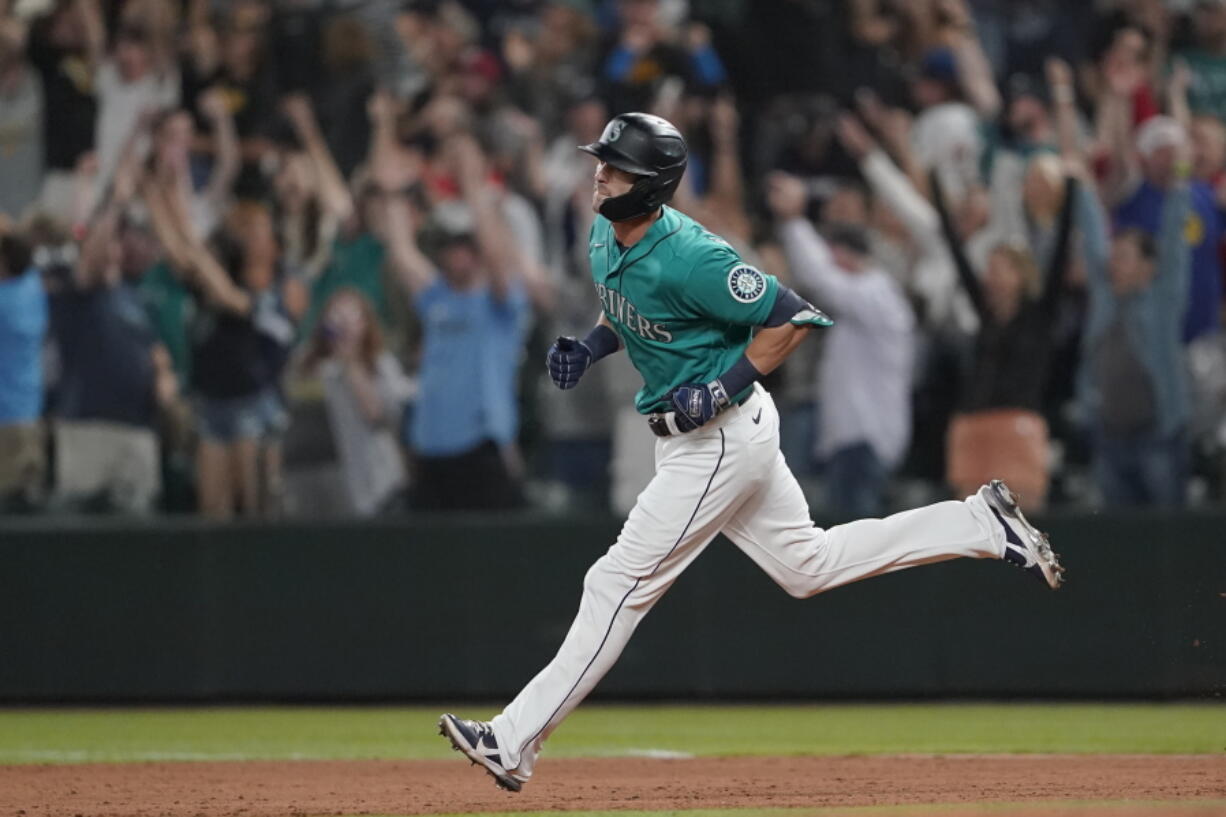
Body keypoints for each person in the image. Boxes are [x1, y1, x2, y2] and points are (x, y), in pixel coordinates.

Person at [438, 112, 1066, 791]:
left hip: (720, 437)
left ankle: (513, 739)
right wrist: (591, 345)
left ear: (651, 186)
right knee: (808, 564)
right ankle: (977, 523)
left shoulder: (693, 254)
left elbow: (792, 316)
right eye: (603, 160)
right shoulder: (603, 230)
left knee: (614, 583)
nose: (601, 172)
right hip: (705, 437)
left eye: (617, 167)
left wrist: (720, 386)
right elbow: (627, 308)